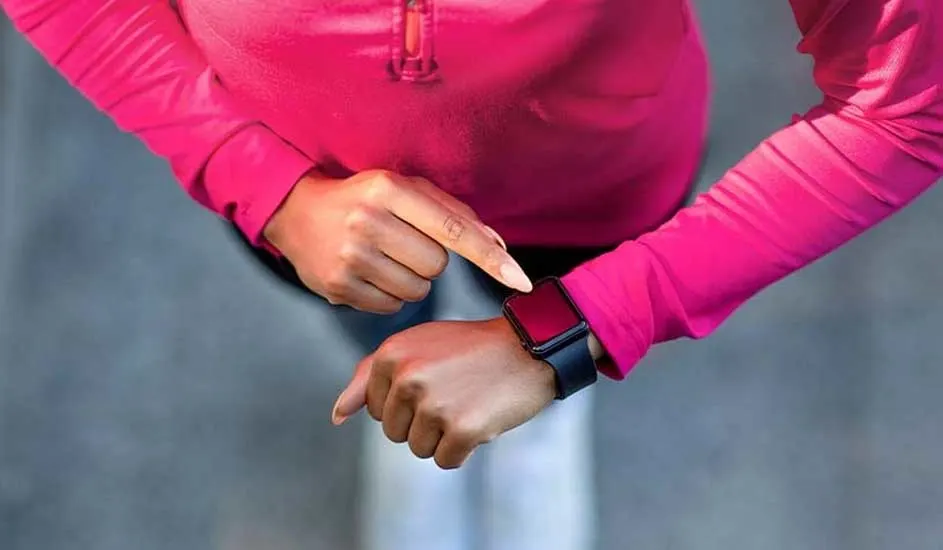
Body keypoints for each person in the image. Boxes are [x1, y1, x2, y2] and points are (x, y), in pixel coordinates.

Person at [3, 0, 940, 549]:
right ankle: (398, 409)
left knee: (538, 348)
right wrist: (268, 188)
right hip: (306, 199)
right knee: (367, 325)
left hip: (598, 188)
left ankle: (540, 421)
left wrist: (564, 341)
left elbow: (908, 109)